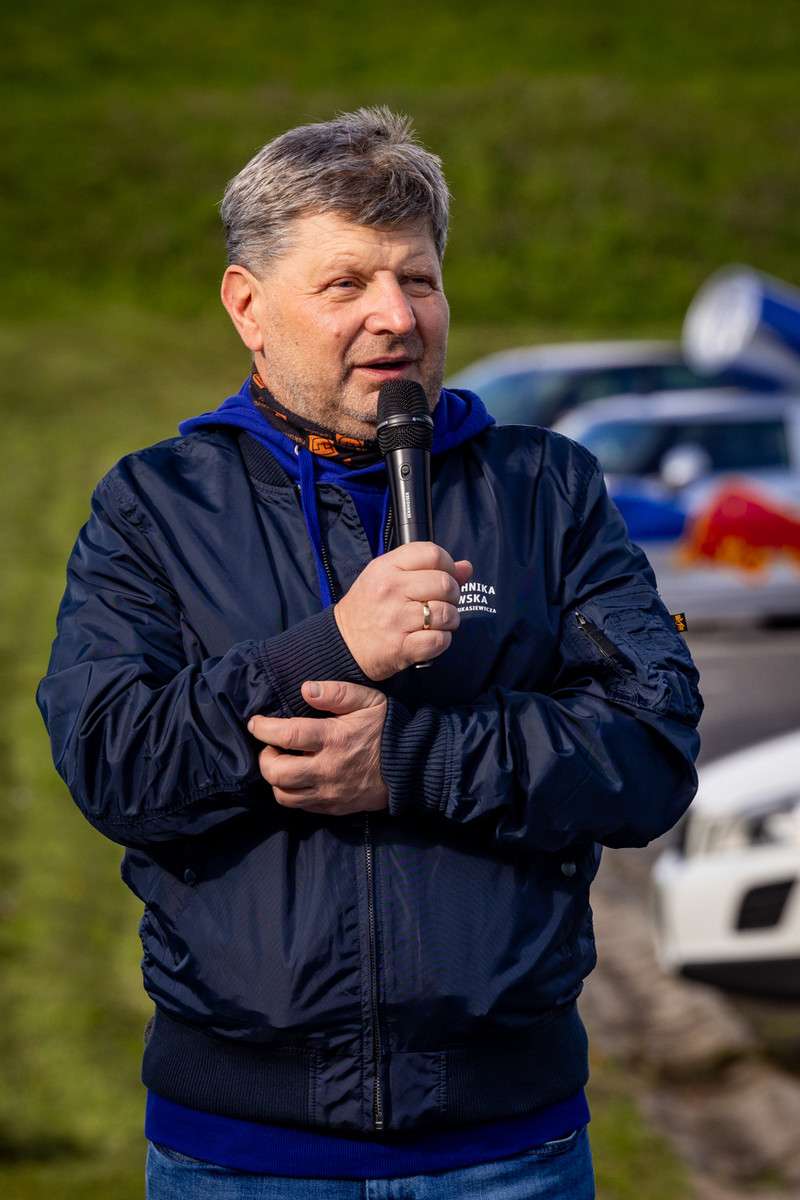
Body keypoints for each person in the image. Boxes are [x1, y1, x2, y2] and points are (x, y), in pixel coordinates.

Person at [37, 107, 702, 1199]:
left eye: (418, 280)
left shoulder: (545, 490)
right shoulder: (153, 506)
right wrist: (331, 645)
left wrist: (411, 760)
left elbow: (651, 751)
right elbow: (114, 761)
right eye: (346, 283)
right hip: (237, 1156)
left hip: (509, 1150)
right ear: (248, 307)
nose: (396, 316)